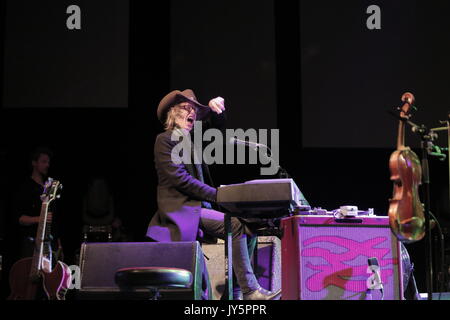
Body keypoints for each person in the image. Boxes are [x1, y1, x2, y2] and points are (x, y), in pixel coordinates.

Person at [146, 89, 281, 300]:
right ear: (172, 113)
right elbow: (180, 179)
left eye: (194, 109)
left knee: (248, 226)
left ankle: (236, 292)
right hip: (182, 210)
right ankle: (249, 290)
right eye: (185, 108)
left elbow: (215, 126)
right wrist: (218, 195)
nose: (191, 113)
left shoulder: (192, 141)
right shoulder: (165, 140)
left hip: (199, 209)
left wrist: (215, 110)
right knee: (235, 225)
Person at [14, 147, 63, 269]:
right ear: (34, 163)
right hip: (32, 244)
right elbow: (19, 218)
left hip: (50, 244)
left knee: (49, 280)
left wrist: (58, 244)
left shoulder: (49, 187)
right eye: (43, 161)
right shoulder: (25, 187)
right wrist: (40, 218)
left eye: (48, 162)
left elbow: (54, 220)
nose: (47, 165)